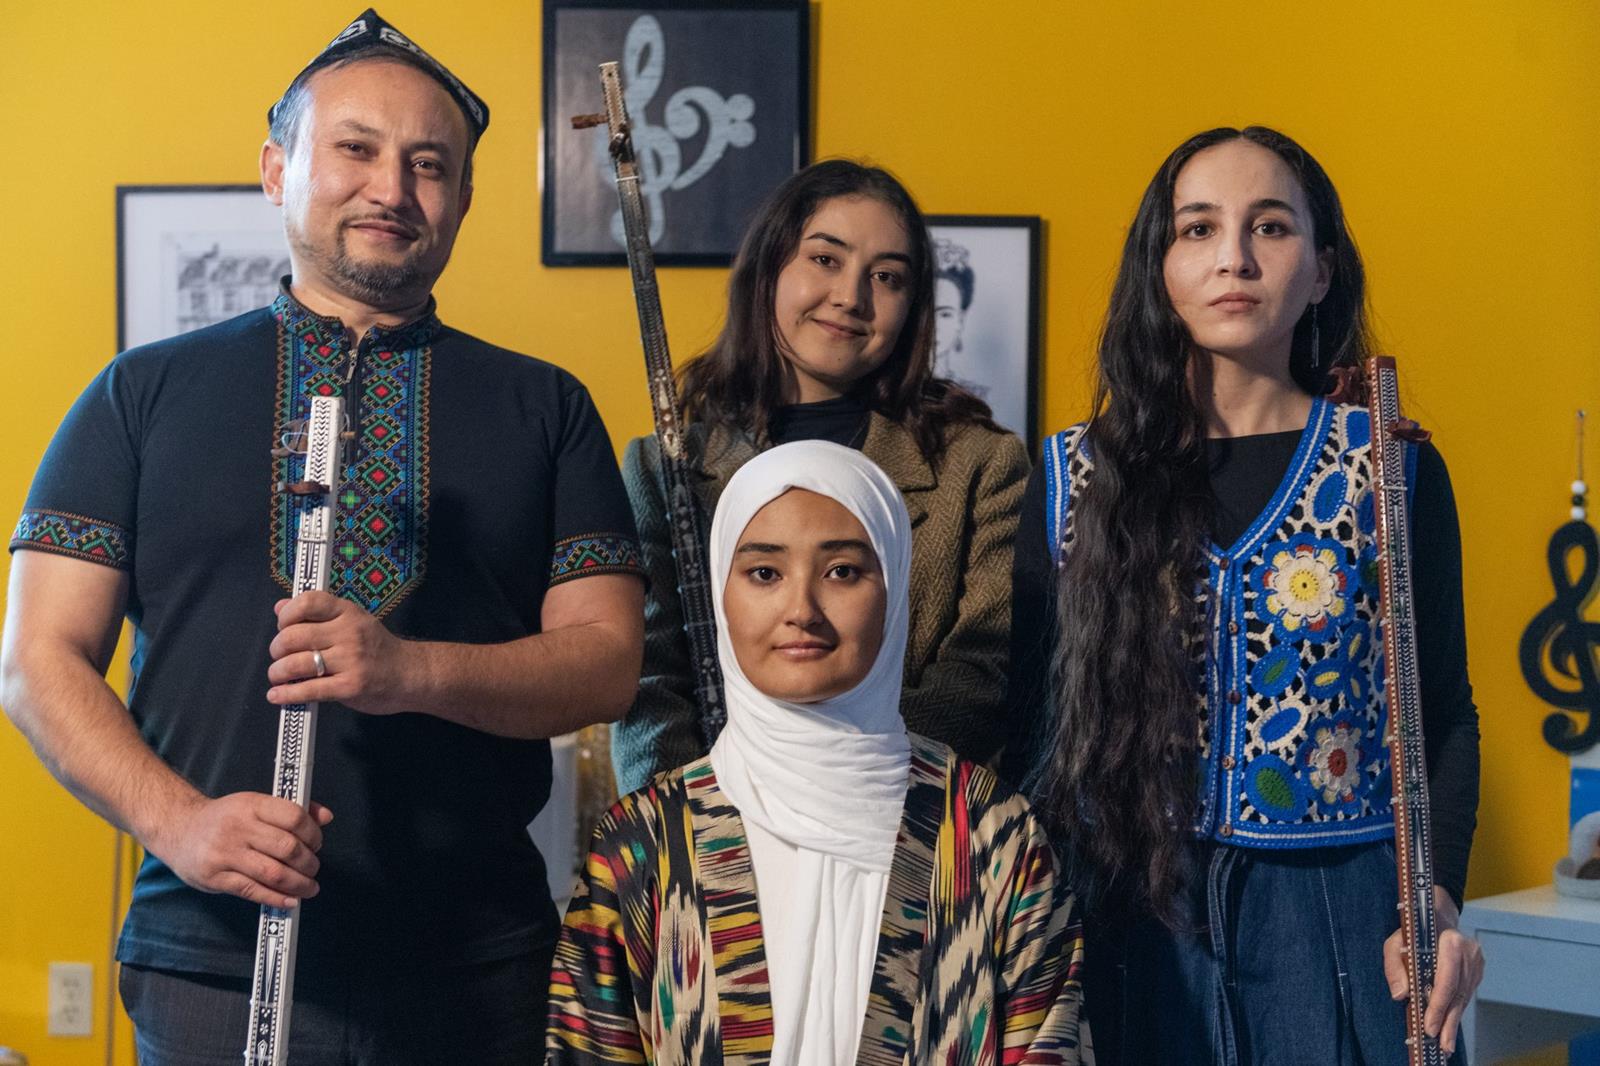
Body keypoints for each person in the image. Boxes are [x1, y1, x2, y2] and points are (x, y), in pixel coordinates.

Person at [0, 10, 644, 1064]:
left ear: (464, 199)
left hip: (474, 966)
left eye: (428, 163)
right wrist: (182, 826)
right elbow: (35, 662)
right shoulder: (139, 394)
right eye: (355, 148)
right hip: (209, 954)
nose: (392, 187)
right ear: (276, 169)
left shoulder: (545, 408)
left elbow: (607, 665)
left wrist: (410, 669)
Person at [1007, 126, 1484, 1064]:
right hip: (1128, 909)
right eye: (1197, 229)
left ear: (1320, 272)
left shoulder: (1388, 468)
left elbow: (1445, 715)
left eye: (1270, 226)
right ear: (1161, 268)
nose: (1233, 256)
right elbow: (1032, 722)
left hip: (1342, 915)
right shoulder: (1075, 474)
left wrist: (1434, 897)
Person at [549, 441, 1090, 1064]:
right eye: (764, 574)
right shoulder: (644, 846)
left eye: (842, 572)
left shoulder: (994, 841)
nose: (801, 610)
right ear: (721, 597)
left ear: (895, 591)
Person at [611, 160, 1027, 794]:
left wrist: (842, 782)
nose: (851, 298)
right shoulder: (666, 468)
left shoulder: (981, 466)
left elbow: (986, 670)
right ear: (768, 269)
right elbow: (652, 683)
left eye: (886, 277)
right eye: (825, 260)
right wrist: (692, 833)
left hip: (907, 822)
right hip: (719, 840)